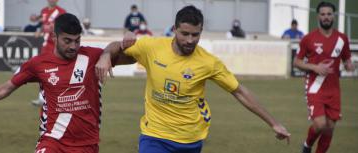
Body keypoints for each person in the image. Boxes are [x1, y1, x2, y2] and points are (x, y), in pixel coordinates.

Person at [96, 5, 291, 153]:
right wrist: (106, 55)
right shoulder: (152, 47)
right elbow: (117, 46)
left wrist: (273, 123)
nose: (190, 40)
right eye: (185, 34)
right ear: (174, 29)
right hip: (153, 135)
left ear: (201, 31)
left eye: (195, 35)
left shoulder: (208, 62)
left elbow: (239, 91)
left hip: (190, 139)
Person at [0, 13, 122, 153]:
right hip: (53, 141)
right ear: (54, 37)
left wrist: (107, 54)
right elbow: (5, 88)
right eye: (67, 41)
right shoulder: (37, 64)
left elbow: (122, 50)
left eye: (77, 40)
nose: (73, 46)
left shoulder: (91, 56)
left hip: (86, 144)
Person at [294, 2, 355, 153]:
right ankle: (307, 145)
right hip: (315, 87)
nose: (326, 17)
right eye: (323, 14)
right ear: (318, 16)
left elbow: (347, 60)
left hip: (334, 89)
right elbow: (296, 62)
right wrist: (315, 67)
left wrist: (350, 65)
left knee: (329, 129)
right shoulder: (308, 38)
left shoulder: (342, 39)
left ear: (333, 16)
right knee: (320, 124)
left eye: (329, 14)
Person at [30, 0, 66, 106]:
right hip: (45, 47)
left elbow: (64, 27)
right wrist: (39, 29)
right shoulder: (44, 11)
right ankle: (42, 98)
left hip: (55, 47)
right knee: (43, 72)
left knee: (58, 72)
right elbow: (43, 23)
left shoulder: (61, 12)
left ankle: (59, 97)